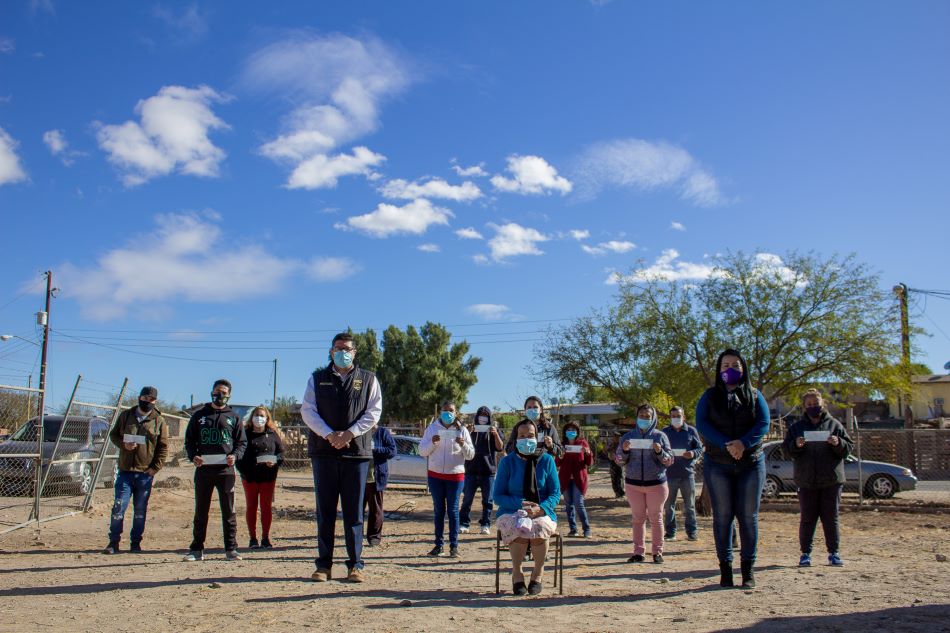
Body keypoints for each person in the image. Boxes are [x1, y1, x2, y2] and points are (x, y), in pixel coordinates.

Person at [301, 332, 382, 583]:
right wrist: (329, 435)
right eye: (337, 348)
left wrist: (349, 434)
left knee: (354, 513)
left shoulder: (368, 379)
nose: (342, 352)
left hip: (356, 454)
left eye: (347, 348)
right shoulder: (317, 379)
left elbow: (373, 412)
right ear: (330, 351)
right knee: (325, 511)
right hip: (324, 453)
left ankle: (355, 565)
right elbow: (308, 411)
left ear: (354, 352)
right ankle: (323, 566)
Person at [695, 348, 771, 588]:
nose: (731, 369)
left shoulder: (755, 394)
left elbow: (763, 422)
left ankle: (748, 571)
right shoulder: (709, 396)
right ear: (719, 369)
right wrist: (726, 445)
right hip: (718, 463)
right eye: (725, 365)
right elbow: (702, 424)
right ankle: (725, 570)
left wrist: (743, 443)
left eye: (735, 365)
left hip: (751, 463)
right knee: (722, 517)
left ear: (743, 368)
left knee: (748, 517)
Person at [783, 389, 854, 568]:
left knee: (831, 518)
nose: (813, 407)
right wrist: (796, 445)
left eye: (816, 404)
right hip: (806, 480)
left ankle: (834, 553)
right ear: (804, 407)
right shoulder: (797, 427)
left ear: (822, 404)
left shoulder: (835, 425)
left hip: (831, 480)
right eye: (809, 405)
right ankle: (805, 553)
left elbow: (848, 448)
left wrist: (838, 443)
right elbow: (786, 450)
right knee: (807, 518)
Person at [493, 419, 561, 596]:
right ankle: (517, 573)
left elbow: (555, 492)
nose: (526, 439)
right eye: (522, 436)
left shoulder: (547, 460)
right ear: (516, 438)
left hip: (541, 510)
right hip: (512, 510)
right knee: (518, 528)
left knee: (540, 527)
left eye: (530, 435)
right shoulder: (507, 463)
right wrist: (520, 504)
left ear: (537, 437)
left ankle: (537, 573)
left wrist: (542, 508)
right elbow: (498, 495)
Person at [183, 379, 247, 562]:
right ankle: (196, 549)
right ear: (212, 392)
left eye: (224, 393)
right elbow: (189, 441)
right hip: (204, 470)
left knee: (229, 511)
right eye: (217, 392)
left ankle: (231, 549)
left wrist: (235, 456)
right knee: (201, 510)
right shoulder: (199, 416)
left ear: (229, 395)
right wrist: (193, 455)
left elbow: (242, 443)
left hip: (225, 472)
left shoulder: (234, 417)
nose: (220, 395)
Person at [102, 386, 168, 554]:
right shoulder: (126, 416)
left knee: (140, 510)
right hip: (125, 471)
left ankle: (135, 543)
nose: (147, 401)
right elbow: (114, 435)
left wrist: (155, 468)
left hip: (145, 474)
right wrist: (123, 445)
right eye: (144, 398)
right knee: (119, 506)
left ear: (155, 401)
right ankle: (113, 542)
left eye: (150, 399)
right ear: (139, 398)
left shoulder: (159, 421)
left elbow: (163, 447)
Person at [615, 404, 674, 564]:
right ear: (636, 417)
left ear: (653, 418)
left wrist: (660, 452)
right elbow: (619, 460)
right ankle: (639, 552)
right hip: (633, 485)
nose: (644, 419)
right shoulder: (627, 437)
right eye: (641, 415)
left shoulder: (660, 436)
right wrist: (625, 451)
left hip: (656, 485)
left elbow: (669, 460)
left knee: (656, 518)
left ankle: (657, 552)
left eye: (647, 416)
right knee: (637, 519)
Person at [419, 401, 475, 557]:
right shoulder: (432, 429)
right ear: (440, 412)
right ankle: (438, 545)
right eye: (445, 410)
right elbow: (422, 451)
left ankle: (454, 546)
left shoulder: (462, 430)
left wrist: (463, 445)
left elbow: (470, 455)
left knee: (453, 510)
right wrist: (432, 442)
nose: (448, 413)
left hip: (455, 476)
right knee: (438, 510)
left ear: (456, 413)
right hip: (435, 475)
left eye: (451, 410)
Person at [236, 405, 284, 549]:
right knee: (251, 507)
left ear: (267, 418)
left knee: (266, 507)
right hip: (249, 477)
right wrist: (244, 471)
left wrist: (274, 462)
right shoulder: (245, 434)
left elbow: (281, 454)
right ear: (251, 417)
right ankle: (252, 538)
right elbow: (239, 454)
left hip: (268, 477)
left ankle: (265, 538)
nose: (259, 418)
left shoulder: (273, 434)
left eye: (262, 416)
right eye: (257, 415)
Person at [459, 405, 505, 535]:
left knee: (488, 501)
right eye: (481, 415)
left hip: (488, 471)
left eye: (485, 415)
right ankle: (464, 523)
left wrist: (495, 434)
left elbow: (500, 447)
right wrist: (468, 432)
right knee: (467, 499)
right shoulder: (470, 430)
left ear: (489, 417)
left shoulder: (494, 430)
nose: (483, 418)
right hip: (471, 470)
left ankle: (485, 524)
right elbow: (462, 445)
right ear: (477, 416)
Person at [661, 406, 704, 541]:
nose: (676, 418)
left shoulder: (691, 431)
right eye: (673, 416)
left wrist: (692, 453)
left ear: (683, 417)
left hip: (687, 475)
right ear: (670, 418)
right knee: (669, 506)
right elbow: (659, 450)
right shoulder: (664, 432)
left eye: (678, 416)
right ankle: (670, 532)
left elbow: (699, 449)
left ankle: (692, 532)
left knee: (690, 506)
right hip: (669, 475)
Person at [555, 419, 594, 538]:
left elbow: (590, 462)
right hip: (565, 479)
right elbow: (557, 463)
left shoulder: (582, 443)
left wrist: (587, 454)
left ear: (577, 431)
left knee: (579, 503)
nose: (571, 431)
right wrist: (560, 456)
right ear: (565, 431)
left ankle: (586, 529)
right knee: (568, 504)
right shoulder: (562, 445)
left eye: (573, 429)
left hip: (579, 479)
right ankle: (573, 529)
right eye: (568, 429)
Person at [365, 423, 397, 547]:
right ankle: (355, 536)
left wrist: (374, 450)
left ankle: (374, 537)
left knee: (376, 510)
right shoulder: (359, 431)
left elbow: (392, 451)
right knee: (356, 510)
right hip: (359, 478)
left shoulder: (383, 433)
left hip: (375, 478)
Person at [606, 430, 626, 498]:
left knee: (620, 477)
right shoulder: (611, 444)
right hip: (613, 463)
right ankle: (617, 492)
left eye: (617, 437)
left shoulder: (621, 444)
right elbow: (607, 451)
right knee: (614, 478)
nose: (614, 438)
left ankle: (621, 492)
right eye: (614, 437)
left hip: (620, 463)